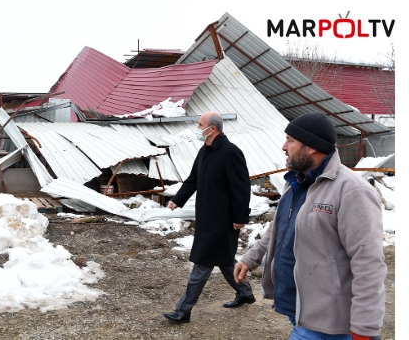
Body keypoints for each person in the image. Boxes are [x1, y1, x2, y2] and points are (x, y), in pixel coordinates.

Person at [234, 113, 386, 340]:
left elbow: (368, 262)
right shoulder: (297, 182)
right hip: (302, 307)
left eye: (290, 140)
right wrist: (251, 257)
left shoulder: (352, 191)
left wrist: (365, 328)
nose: (284, 147)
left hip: (331, 320)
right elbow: (280, 227)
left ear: (311, 147)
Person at [162, 111, 254, 324]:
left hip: (223, 221)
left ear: (211, 128)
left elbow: (241, 187)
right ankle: (245, 293)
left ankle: (183, 311)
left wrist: (240, 217)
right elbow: (193, 179)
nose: (197, 127)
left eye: (199, 124)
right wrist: (178, 199)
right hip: (207, 218)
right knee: (225, 261)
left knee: (202, 262)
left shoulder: (231, 152)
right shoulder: (205, 150)